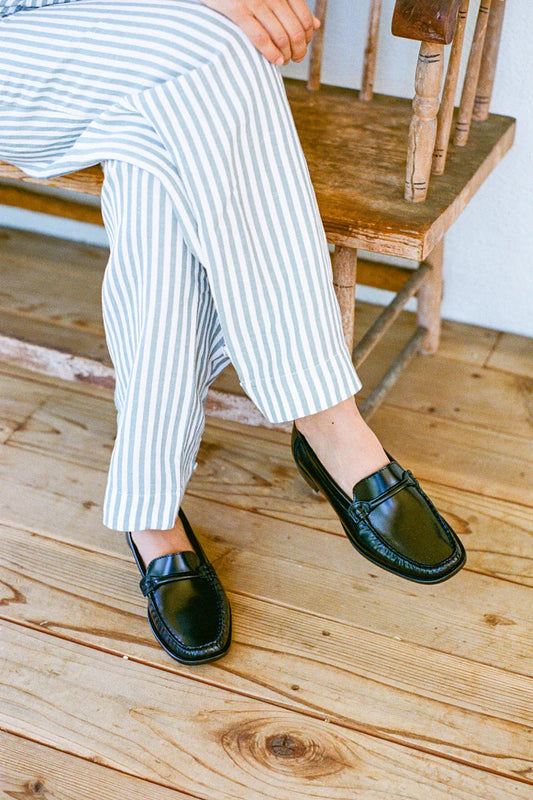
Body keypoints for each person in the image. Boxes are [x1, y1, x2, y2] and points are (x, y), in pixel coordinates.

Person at [0, 0, 466, 665]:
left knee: (159, 146)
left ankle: (149, 508)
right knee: (204, 49)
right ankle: (330, 425)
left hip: (103, 46)